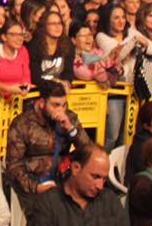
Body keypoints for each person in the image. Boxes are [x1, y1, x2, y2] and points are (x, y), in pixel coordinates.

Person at [6, 81, 91, 220]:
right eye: (55, 105)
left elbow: (89, 151)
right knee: (48, 214)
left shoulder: (70, 118)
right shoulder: (22, 123)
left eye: (63, 105)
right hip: (33, 180)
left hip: (63, 178)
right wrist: (35, 187)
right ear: (41, 103)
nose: (60, 110)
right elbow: (13, 165)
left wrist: (71, 129)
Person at [32, 143, 129, 226]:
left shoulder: (110, 200)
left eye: (104, 179)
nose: (100, 186)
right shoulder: (48, 204)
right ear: (76, 168)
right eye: (95, 177)